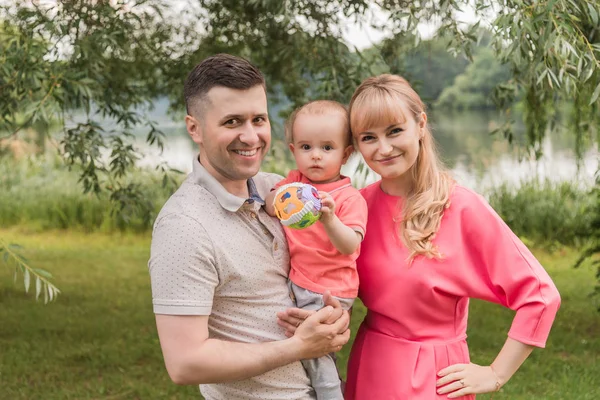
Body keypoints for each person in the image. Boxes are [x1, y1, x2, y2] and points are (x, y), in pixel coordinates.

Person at [278, 74, 561, 399]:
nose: (383, 148)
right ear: (355, 147)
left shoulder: (462, 207)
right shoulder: (357, 207)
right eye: (369, 137)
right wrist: (325, 317)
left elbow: (539, 295)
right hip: (369, 364)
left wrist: (496, 373)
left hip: (432, 376)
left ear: (421, 124)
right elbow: (337, 279)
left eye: (395, 131)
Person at [148, 53, 350, 400]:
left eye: (259, 119)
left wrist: (332, 322)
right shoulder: (184, 227)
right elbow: (185, 362)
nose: (251, 136)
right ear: (193, 127)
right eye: (232, 122)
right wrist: (300, 346)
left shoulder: (280, 192)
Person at [264, 100, 368, 400]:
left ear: (346, 154)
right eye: (306, 148)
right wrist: (282, 199)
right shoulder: (295, 183)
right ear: (293, 150)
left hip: (331, 289)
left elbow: (350, 246)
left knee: (316, 351)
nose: (316, 156)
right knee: (305, 347)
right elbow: (271, 205)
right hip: (301, 280)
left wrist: (329, 218)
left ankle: (331, 395)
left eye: (327, 148)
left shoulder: (349, 199)